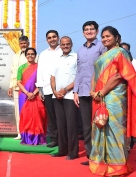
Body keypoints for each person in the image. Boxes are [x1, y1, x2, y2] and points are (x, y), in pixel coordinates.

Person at [89, 26, 136, 176]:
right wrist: (93, 92)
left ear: (117, 38)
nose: (105, 39)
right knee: (101, 126)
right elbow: (95, 76)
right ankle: (103, 164)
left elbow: (118, 77)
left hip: (114, 97)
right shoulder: (104, 55)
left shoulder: (121, 53)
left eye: (108, 36)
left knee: (115, 130)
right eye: (103, 37)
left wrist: (102, 92)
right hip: (99, 97)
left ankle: (117, 167)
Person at [73, 21, 106, 166]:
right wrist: (75, 91)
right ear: (83, 33)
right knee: (86, 126)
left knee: (100, 124)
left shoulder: (102, 46)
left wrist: (101, 90)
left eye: (92, 29)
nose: (89, 31)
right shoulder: (80, 50)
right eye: (86, 29)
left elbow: (105, 68)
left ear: (97, 31)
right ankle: (91, 155)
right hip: (83, 93)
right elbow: (78, 72)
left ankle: (103, 155)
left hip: (98, 92)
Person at [50, 36, 78, 160]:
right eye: (63, 44)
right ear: (60, 45)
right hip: (57, 96)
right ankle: (62, 150)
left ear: (71, 44)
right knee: (60, 124)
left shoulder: (77, 58)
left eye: (68, 44)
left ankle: (72, 152)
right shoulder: (56, 59)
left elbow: (79, 78)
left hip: (70, 96)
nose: (65, 46)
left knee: (71, 124)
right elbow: (52, 77)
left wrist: (65, 90)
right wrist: (55, 91)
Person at [36, 30, 62, 148]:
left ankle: (64, 139)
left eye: (54, 37)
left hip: (62, 90)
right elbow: (40, 72)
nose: (52, 39)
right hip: (47, 89)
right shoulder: (43, 54)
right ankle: (54, 139)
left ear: (58, 37)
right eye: (49, 38)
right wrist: (40, 89)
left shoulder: (64, 50)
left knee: (62, 116)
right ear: (47, 40)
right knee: (51, 116)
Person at [17, 47, 47, 145]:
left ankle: (38, 138)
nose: (30, 56)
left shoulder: (40, 67)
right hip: (24, 95)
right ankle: (26, 138)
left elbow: (42, 81)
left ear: (35, 55)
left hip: (36, 95)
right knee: (25, 117)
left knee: (38, 116)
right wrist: (27, 93)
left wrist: (34, 93)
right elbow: (19, 82)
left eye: (32, 54)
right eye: (28, 54)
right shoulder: (21, 68)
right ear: (25, 56)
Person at [8, 36, 29, 140]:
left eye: (25, 43)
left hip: (28, 88)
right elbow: (13, 72)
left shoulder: (32, 54)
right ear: (19, 44)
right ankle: (20, 133)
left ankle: (28, 133)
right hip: (16, 87)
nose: (23, 45)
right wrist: (10, 86)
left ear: (28, 43)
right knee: (18, 111)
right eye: (21, 43)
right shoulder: (16, 56)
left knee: (28, 111)